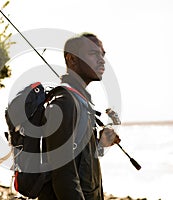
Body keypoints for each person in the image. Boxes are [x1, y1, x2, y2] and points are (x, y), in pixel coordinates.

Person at [38, 33, 121, 200]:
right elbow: (63, 175)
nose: (102, 60)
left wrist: (100, 145)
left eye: (102, 54)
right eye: (93, 54)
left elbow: (80, 161)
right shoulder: (65, 102)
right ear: (72, 59)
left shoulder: (80, 100)